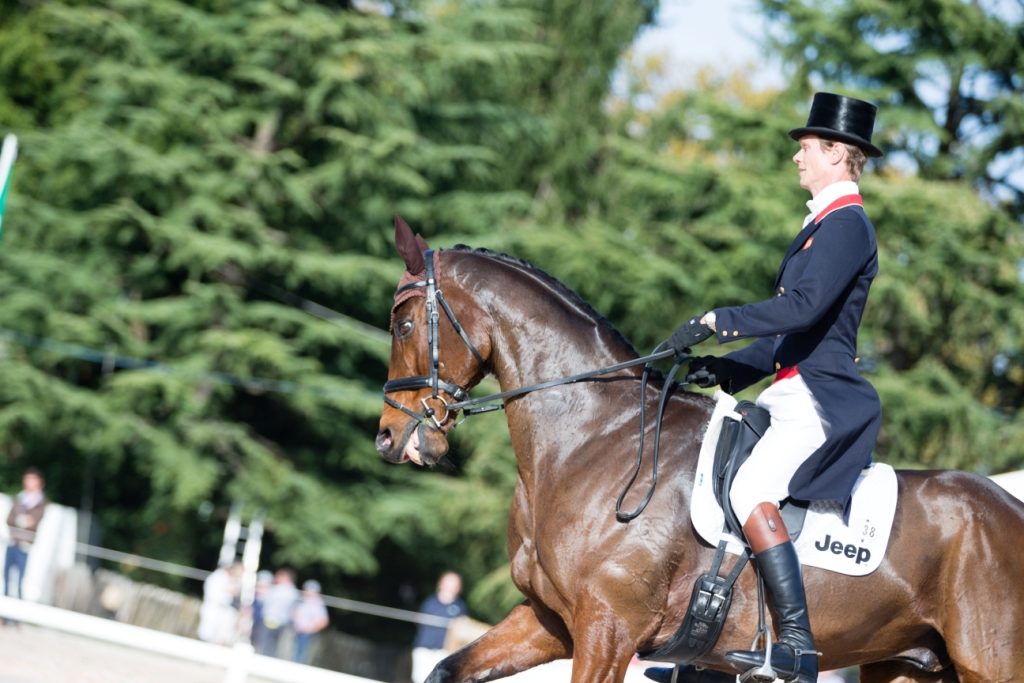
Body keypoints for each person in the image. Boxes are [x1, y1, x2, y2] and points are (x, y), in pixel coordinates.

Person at [650, 92, 884, 683]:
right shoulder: (821, 225)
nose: (798, 158)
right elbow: (789, 338)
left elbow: (803, 311)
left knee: (752, 487)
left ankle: (797, 646)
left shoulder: (848, 224)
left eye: (806, 148)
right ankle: (712, 649)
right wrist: (726, 369)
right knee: (710, 474)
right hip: (789, 387)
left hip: (820, 399)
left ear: (836, 152)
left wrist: (716, 321)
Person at [411, 571, 468, 683]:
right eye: (448, 583)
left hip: (444, 653)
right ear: (441, 584)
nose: (450, 587)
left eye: (454, 584)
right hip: (423, 650)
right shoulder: (429, 602)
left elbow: (463, 630)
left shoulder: (460, 607)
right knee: (419, 679)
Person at [4, 468, 47, 600]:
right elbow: (9, 519)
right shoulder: (19, 498)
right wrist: (23, 520)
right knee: (6, 578)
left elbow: (33, 522)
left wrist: (21, 519)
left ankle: (18, 614)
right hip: (12, 542)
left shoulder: (40, 503)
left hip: (25, 545)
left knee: (20, 581)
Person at [255, 568, 299, 657]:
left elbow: (264, 599)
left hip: (270, 619)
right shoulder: (294, 592)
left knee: (265, 643)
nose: (276, 577)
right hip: (282, 621)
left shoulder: (277, 589)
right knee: (274, 645)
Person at [198, 561, 241, 645]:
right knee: (207, 630)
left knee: (217, 633)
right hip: (213, 607)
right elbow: (216, 594)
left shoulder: (228, 578)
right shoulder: (219, 577)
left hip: (220, 608)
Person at [290, 579, 329, 664]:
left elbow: (323, 621)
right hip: (298, 630)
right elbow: (294, 612)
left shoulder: (318, 603)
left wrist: (310, 629)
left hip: (307, 632)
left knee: (301, 653)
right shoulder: (302, 600)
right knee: (294, 652)